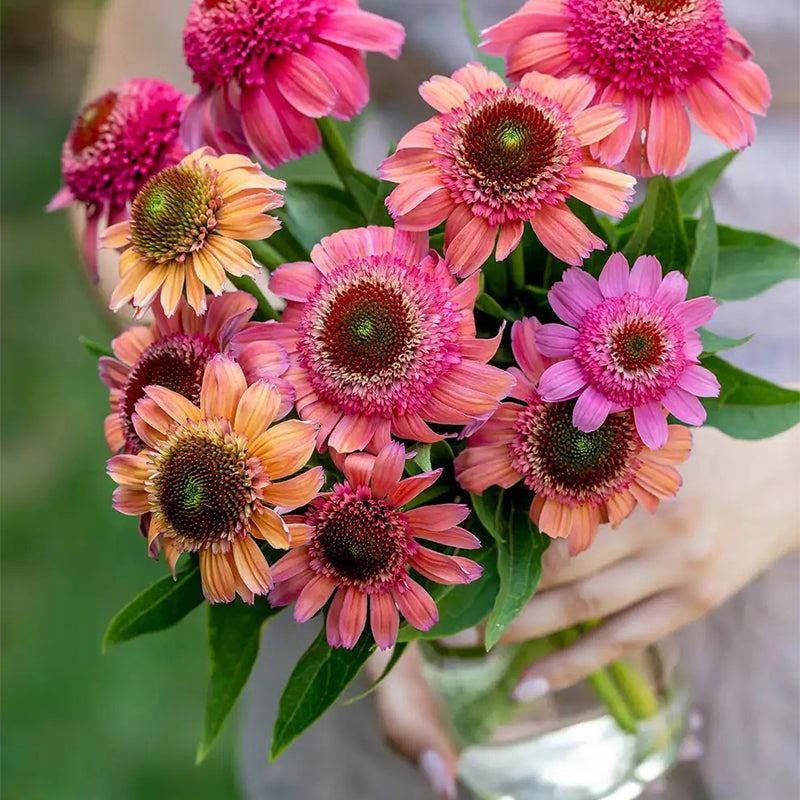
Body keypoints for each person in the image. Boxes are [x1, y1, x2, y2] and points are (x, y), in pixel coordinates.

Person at [80, 2, 800, 798]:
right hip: (379, 466)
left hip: (767, 538)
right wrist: (354, 561)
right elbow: (133, 186)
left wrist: (789, 467)